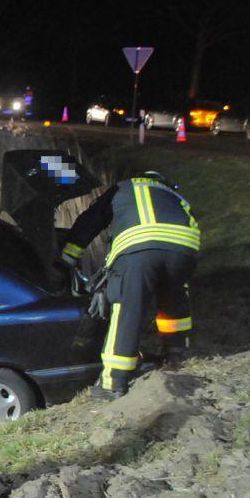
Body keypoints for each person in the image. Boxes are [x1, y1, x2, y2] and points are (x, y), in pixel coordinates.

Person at [61, 171, 200, 400]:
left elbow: (90, 220)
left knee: (128, 309)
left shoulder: (122, 188)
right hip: (184, 247)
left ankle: (112, 383)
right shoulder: (173, 194)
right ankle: (176, 353)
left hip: (138, 250)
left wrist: (68, 256)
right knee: (174, 298)